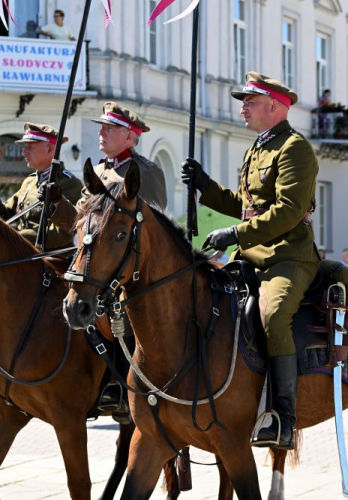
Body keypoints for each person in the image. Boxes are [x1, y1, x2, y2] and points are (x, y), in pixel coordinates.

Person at [181, 71, 317, 449]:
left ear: (274, 106)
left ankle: (283, 418)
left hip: (287, 255)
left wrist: (235, 234)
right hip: (251, 256)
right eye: (243, 102)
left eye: (250, 102)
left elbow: (289, 212)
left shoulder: (294, 148)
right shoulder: (258, 147)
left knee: (273, 314)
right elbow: (247, 206)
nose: (243, 108)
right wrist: (205, 186)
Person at [49, 103, 168, 424]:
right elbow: (80, 223)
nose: (101, 132)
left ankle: (119, 382)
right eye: (101, 127)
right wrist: (56, 203)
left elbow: (153, 222)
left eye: (110, 128)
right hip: (98, 258)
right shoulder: (99, 172)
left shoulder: (145, 172)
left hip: (130, 263)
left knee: (117, 307)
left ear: (130, 136)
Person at [0, 123, 82, 250]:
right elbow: (7, 214)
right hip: (21, 255)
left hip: (51, 261)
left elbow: (66, 231)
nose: (24, 153)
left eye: (30, 147)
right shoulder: (29, 181)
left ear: (49, 149)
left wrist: (18, 237)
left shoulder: (68, 183)